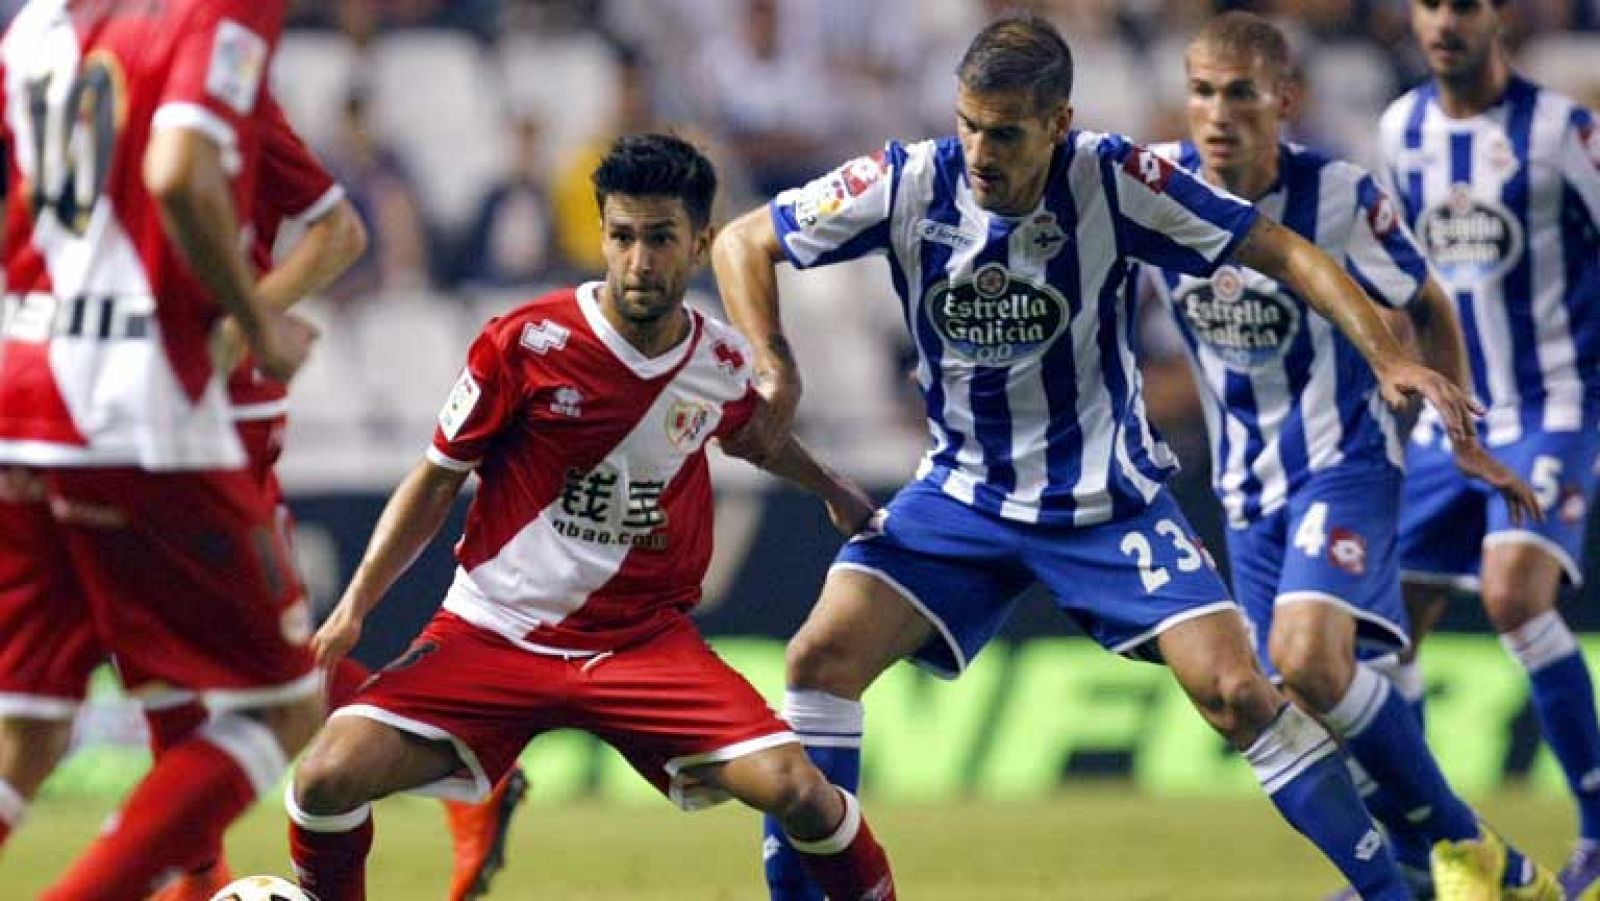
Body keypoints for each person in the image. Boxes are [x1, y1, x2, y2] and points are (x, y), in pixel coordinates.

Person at [712, 16, 1489, 901]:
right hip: (962, 498)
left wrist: (1386, 354)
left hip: (1105, 504)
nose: (978, 149)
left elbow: (1284, 250)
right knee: (819, 656)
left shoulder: (1115, 179)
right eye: (968, 122)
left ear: (1058, 123)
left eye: (1004, 131)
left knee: (1239, 690)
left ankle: (1394, 888)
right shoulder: (908, 180)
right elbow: (744, 241)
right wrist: (774, 363)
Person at [283, 133, 898, 901]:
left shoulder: (718, 361)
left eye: (661, 238)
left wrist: (833, 486)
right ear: (603, 235)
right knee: (326, 776)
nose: (639, 260)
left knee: (799, 789)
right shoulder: (524, 342)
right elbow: (437, 478)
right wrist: (353, 607)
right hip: (494, 631)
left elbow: (756, 438)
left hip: (641, 644)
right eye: (623, 236)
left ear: (700, 244)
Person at [1146, 12, 1557, 900]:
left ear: (1285, 100)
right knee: (1302, 703)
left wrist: (1464, 441)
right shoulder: (1157, 188)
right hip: (1244, 489)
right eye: (1203, 93)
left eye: (1242, 94)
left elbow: (1427, 302)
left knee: (1308, 656)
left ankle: (1458, 845)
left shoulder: (1339, 195)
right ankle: (1478, 862)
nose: (1219, 114)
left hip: (1349, 459)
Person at [0, 1, 325, 898]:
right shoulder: (219, 10)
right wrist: (256, 318)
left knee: (25, 734)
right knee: (285, 701)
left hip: (21, 387)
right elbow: (179, 170)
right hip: (133, 403)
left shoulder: (39, 21)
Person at [1379, 1, 1600, 897]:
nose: (1443, 21)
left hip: (1557, 401)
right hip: (1452, 415)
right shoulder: (1401, 128)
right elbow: (1400, 274)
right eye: (1428, 3)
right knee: (1381, 623)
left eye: (1463, 2)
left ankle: (1597, 822)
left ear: (1496, 13)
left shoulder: (1563, 133)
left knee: (1513, 591)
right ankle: (1425, 853)